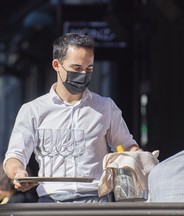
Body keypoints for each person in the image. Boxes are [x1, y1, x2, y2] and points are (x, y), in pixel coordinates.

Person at [3, 33, 141, 203]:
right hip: (51, 201)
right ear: (56, 65)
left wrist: (143, 159)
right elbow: (15, 155)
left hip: (96, 201)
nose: (83, 74)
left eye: (89, 68)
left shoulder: (105, 107)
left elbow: (127, 146)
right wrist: (18, 173)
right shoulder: (33, 110)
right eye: (76, 68)